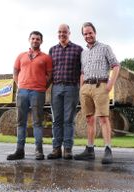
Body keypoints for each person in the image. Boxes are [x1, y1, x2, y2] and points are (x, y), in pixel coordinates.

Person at [74, 22, 120, 164]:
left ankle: (107, 150)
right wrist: (82, 87)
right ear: (83, 36)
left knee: (103, 119)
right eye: (85, 34)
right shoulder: (83, 53)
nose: (88, 35)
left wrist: (110, 84)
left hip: (101, 85)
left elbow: (116, 65)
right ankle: (90, 150)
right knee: (89, 119)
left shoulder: (105, 48)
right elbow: (82, 72)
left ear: (95, 33)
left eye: (90, 32)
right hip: (86, 88)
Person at [7, 31, 53, 160]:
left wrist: (43, 87)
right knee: (21, 122)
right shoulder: (21, 56)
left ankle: (39, 151)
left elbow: (50, 75)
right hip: (22, 92)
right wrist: (20, 84)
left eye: (38, 39)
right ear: (29, 40)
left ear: (41, 41)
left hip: (38, 92)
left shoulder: (46, 58)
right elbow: (15, 71)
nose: (35, 40)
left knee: (37, 122)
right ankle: (19, 151)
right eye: (33, 38)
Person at [47, 24, 83, 160]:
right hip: (56, 87)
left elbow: (82, 70)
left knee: (68, 119)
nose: (62, 34)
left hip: (71, 87)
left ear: (69, 33)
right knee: (56, 120)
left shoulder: (78, 49)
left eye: (65, 32)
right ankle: (56, 149)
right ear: (57, 33)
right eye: (60, 32)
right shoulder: (52, 50)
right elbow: (49, 71)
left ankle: (67, 149)